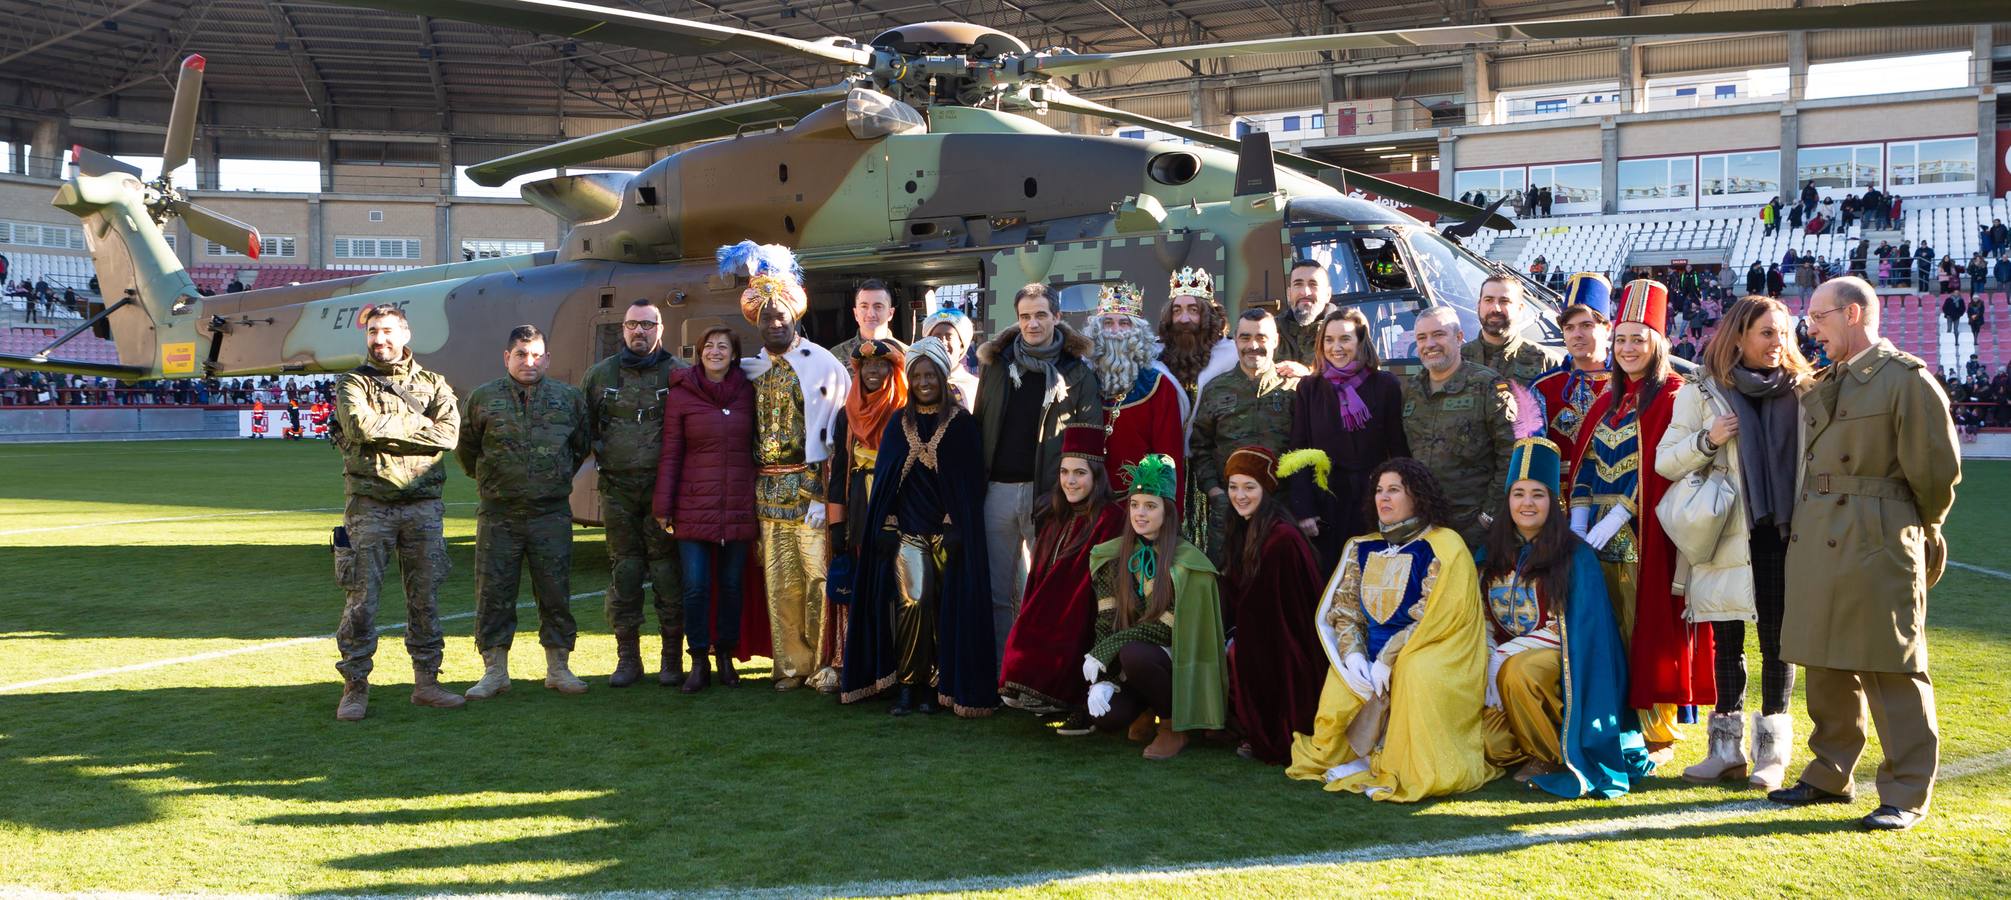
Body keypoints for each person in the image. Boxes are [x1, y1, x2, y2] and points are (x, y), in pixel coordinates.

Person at [1769, 276, 1960, 832]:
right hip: (1821, 535)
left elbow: (1937, 473)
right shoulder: (1831, 379)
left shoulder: (1905, 380)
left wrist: (1911, 529)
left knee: (1892, 667)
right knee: (1825, 661)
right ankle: (1830, 772)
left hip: (1879, 538)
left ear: (1852, 314)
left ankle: (1904, 791)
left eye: (1819, 318)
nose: (1811, 329)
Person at [1659, 296, 1810, 790]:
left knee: (1777, 642)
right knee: (1726, 642)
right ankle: (1725, 752)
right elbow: (1666, 461)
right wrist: (1709, 437)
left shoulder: (1806, 389)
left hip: (1785, 532)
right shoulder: (1701, 393)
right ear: (1739, 336)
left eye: (1784, 333)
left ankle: (1772, 753)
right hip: (1726, 531)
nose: (1778, 343)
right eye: (1767, 333)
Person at [1285, 459, 1497, 801]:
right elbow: (1346, 607)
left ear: (1418, 496)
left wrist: (1388, 658)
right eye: (1379, 491)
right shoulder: (1362, 546)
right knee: (1340, 686)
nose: (1383, 498)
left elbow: (1437, 614)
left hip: (1428, 648)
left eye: (1394, 490)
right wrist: (1354, 654)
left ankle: (1387, 762)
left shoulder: (1444, 545)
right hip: (1368, 653)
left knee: (1414, 675)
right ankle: (1358, 756)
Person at [1567, 279, 1709, 769]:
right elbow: (1586, 461)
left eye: (1638, 339)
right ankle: (1614, 713)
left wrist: (1626, 510)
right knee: (1604, 625)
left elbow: (1669, 467)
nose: (1628, 349)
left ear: (1657, 343)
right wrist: (1580, 515)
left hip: (1647, 536)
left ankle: (1657, 729)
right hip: (1594, 538)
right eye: (1622, 339)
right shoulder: (1607, 400)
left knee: (1646, 626)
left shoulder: (1676, 395)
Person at [1477, 437, 1654, 797]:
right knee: (1487, 744)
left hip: (1559, 666)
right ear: (1507, 499)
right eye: (1519, 493)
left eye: (1537, 494)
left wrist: (1503, 657)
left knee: (1519, 672)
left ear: (1553, 501)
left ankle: (1552, 755)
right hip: (1500, 666)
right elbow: (1478, 615)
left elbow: (1570, 630)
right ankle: (1530, 742)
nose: (1527, 503)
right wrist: (1487, 654)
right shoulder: (1489, 553)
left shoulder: (1575, 556)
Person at [841, 337, 997, 716]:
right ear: (909, 379)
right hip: (908, 530)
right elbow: (888, 481)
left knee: (948, 607)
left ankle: (940, 685)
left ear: (943, 377)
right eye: (917, 375)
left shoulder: (961, 424)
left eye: (931, 374)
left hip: (947, 533)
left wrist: (957, 525)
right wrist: (887, 524)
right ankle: (911, 683)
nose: (924, 381)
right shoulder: (899, 422)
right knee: (915, 601)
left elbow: (970, 483)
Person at [723, 240, 851, 691]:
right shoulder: (751, 369)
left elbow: (835, 435)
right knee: (780, 583)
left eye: (780, 316)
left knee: (818, 578)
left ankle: (825, 663)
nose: (774, 323)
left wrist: (821, 492)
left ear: (795, 316)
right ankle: (791, 666)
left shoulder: (822, 364)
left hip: (811, 490)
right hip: (767, 493)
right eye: (765, 318)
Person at [327, 306, 463, 720]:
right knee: (361, 602)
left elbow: (450, 435)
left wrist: (387, 426)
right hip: (370, 508)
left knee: (425, 599)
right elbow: (358, 428)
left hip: (423, 508)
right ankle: (355, 685)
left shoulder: (433, 383)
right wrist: (418, 427)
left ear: (405, 333)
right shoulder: (352, 382)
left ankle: (427, 682)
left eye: (387, 331)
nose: (379, 339)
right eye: (372, 332)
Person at [457, 325, 592, 701]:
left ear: (547, 358)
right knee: (493, 593)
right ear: (507, 357)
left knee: (555, 591)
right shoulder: (482, 398)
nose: (528, 362)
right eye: (521, 354)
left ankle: (559, 667)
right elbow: (467, 450)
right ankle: (495, 671)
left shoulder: (569, 399)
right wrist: (499, 481)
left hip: (550, 515)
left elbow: (579, 446)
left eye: (536, 355)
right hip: (499, 515)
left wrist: (550, 478)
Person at [975, 283, 1101, 664]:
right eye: (1025, 316)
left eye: (1041, 315)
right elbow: (980, 422)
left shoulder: (1077, 372)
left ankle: (1040, 671)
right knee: (998, 591)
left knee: (1046, 589)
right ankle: (1003, 669)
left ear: (1057, 317)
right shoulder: (997, 365)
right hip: (997, 490)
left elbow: (1088, 441)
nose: (1032, 323)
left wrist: (1064, 494)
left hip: (1049, 493)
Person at [1083, 453, 1227, 760]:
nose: (1140, 513)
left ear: (1168, 512)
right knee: (1107, 717)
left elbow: (1167, 628)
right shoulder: (1114, 556)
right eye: (1135, 505)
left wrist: (1107, 650)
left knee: (1134, 653)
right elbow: (1106, 619)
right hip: (1133, 660)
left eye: (1150, 506)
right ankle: (1146, 708)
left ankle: (1174, 727)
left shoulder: (1189, 565)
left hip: (1175, 658)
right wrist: (1104, 680)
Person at [584, 299, 689, 687]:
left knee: (667, 571)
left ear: (660, 328)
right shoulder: (600, 376)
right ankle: (627, 657)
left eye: (647, 324)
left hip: (665, 493)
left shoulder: (680, 374)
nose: (639, 331)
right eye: (632, 325)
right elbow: (584, 430)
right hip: (618, 491)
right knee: (625, 570)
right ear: (623, 329)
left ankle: (671, 657)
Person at [654, 325, 758, 693]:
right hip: (693, 504)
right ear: (699, 352)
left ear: (734, 354)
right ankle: (697, 659)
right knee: (696, 586)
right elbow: (671, 452)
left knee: (731, 586)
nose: (716, 351)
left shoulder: (748, 391)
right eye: (709, 345)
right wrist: (663, 506)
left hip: (738, 504)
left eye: (723, 346)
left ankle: (726, 656)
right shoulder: (682, 393)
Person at [998, 424, 1125, 729]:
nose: (1070, 481)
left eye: (1079, 473)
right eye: (1065, 472)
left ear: (1096, 476)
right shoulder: (1056, 515)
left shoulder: (1110, 518)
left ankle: (1081, 701)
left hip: (1095, 609)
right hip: (1056, 609)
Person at [1219, 446, 1327, 765]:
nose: (1239, 495)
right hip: (1256, 632)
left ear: (1266, 490)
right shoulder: (1243, 527)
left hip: (1286, 646)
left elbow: (1278, 614)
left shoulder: (1281, 539)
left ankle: (1269, 731)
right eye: (1234, 486)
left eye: (1249, 487)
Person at [1285, 307, 1408, 575]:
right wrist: (1304, 509)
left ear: (1361, 341)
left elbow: (1398, 450)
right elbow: (1299, 451)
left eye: (1345, 339)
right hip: (1326, 503)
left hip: (1374, 502)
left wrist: (1401, 503)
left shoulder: (1385, 385)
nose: (1336, 348)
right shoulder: (1310, 388)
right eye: (1329, 340)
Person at [821, 338, 908, 692]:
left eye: (881, 365)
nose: (873, 372)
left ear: (893, 370)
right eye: (866, 367)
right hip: (859, 505)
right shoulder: (846, 414)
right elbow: (840, 470)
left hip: (898, 505)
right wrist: (838, 525)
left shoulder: (905, 410)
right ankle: (866, 667)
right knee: (863, 586)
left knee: (898, 588)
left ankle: (902, 667)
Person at [1401, 305, 1519, 547]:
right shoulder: (1412, 390)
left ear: (1459, 338)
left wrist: (1487, 518)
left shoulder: (1488, 385)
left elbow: (1511, 457)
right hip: (1423, 526)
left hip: (1475, 528)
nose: (1429, 343)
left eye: (1438, 334)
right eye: (1422, 338)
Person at [1190, 309, 1297, 560]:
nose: (1253, 346)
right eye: (1245, 338)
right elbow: (1200, 446)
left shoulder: (1293, 388)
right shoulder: (1216, 388)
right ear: (1236, 340)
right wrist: (1215, 491)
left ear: (1275, 341)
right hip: (1229, 511)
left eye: (1262, 337)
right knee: (1226, 584)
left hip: (1281, 510)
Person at [1084, 282, 1186, 502]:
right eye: (1108, 323)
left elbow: (1168, 458)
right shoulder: (1083, 380)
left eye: (1124, 323)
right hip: (1089, 505)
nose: (1116, 331)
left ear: (1137, 331)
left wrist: (1164, 514)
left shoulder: (1158, 385)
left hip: (1138, 507)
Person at [1156, 267, 1237, 420]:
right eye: (1177, 311)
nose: (1184, 319)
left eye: (1193, 310)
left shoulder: (1232, 355)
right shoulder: (1153, 356)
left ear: (1207, 316)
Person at [1463, 275, 1563, 386]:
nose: (1496, 308)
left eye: (1504, 301)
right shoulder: (1456, 360)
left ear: (1520, 309)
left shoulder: (1549, 364)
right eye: (1488, 300)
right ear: (1479, 305)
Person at [828, 279, 907, 364]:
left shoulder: (907, 354)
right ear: (856, 314)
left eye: (878, 307)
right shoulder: (835, 356)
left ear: (890, 313)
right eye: (864, 307)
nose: (871, 314)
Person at [1277, 259, 1336, 369]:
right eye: (1298, 284)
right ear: (1289, 294)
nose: (1305, 292)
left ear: (1328, 294)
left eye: (1313, 284)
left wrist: (1308, 377)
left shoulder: (1346, 332)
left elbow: (1359, 378)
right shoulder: (1271, 331)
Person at [918, 307, 978, 410]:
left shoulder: (976, 387)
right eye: (937, 337)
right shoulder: (916, 384)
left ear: (961, 345)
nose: (943, 342)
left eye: (949, 336)